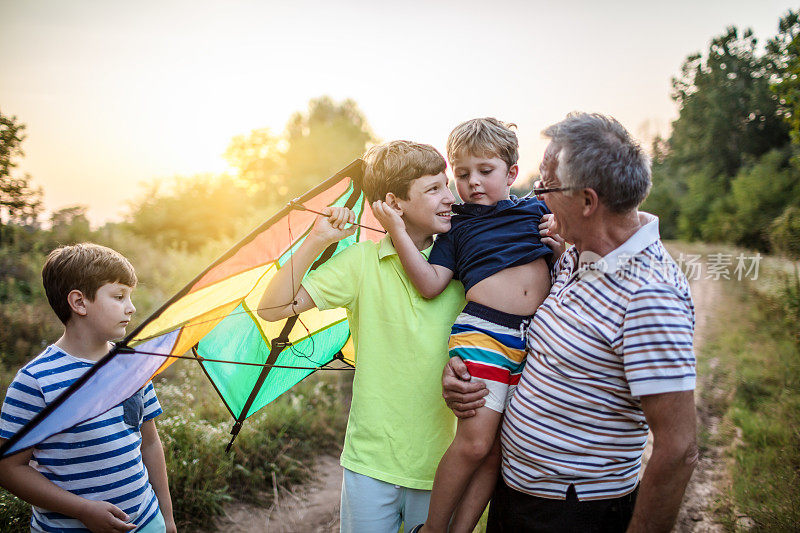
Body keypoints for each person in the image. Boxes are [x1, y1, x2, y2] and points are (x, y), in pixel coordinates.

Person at [442, 112, 698, 533]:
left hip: (573, 513)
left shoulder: (649, 294)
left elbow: (678, 450)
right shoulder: (574, 254)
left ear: (587, 201)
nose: (537, 196)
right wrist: (463, 376)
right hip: (518, 491)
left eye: (547, 187)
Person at [258, 141, 466, 533]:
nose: (449, 198)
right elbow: (271, 309)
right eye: (434, 189)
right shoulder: (361, 262)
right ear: (394, 203)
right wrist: (317, 240)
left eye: (447, 185)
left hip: (444, 462)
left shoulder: (464, 259)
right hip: (371, 461)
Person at [372, 118, 552, 533]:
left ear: (511, 173)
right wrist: (397, 231)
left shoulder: (536, 211)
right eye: (463, 173)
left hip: (533, 340)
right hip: (485, 333)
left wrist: (559, 241)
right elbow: (431, 284)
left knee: (498, 450)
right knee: (473, 443)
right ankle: (432, 529)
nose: (473, 183)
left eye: (485, 172)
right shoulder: (457, 228)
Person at [0, 243, 176, 533]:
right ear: (79, 303)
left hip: (146, 521)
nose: (131, 307)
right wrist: (82, 510)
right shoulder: (36, 380)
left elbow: (150, 443)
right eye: (119, 296)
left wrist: (166, 518)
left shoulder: (132, 364)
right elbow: (8, 469)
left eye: (130, 296)